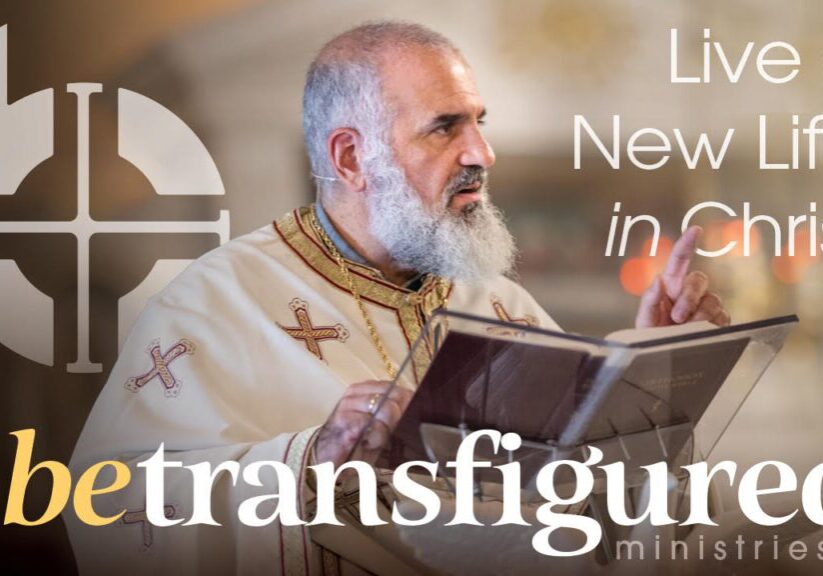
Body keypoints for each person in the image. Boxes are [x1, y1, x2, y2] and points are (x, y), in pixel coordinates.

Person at [65, 21, 729, 576]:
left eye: (479, 122)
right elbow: (110, 506)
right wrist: (308, 461)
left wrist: (648, 375)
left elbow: (588, 516)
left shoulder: (499, 304)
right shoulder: (214, 306)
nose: (482, 152)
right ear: (351, 159)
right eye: (444, 128)